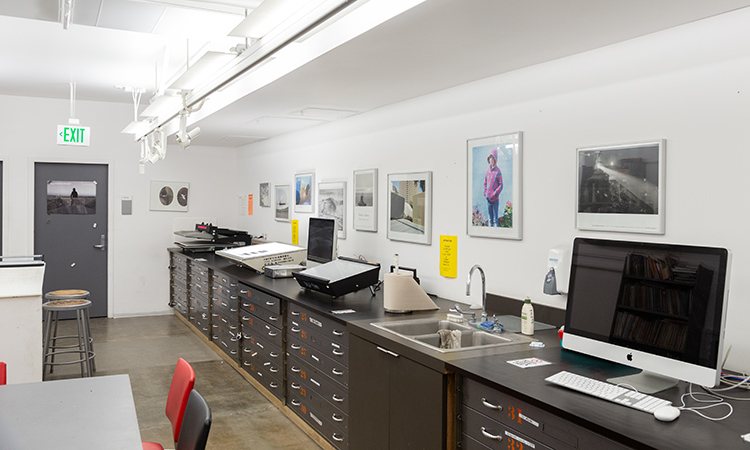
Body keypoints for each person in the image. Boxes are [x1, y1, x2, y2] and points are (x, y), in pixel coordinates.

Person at [483, 148, 503, 226]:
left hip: (495, 200)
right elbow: (485, 183)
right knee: (490, 219)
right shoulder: (487, 171)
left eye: (492, 158)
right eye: (490, 158)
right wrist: (485, 193)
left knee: (495, 220)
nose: (491, 160)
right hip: (488, 199)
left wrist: (495, 193)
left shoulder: (498, 171)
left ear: (495, 159)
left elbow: (501, 184)